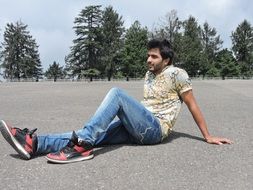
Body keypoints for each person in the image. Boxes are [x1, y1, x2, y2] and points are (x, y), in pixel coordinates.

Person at [0, 39, 232, 164]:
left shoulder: (177, 74)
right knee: (89, 132)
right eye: (148, 54)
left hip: (155, 129)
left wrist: (208, 136)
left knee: (117, 94)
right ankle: (35, 144)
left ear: (167, 59)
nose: (148, 59)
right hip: (138, 125)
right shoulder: (149, 74)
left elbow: (191, 103)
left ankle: (82, 147)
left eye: (154, 56)